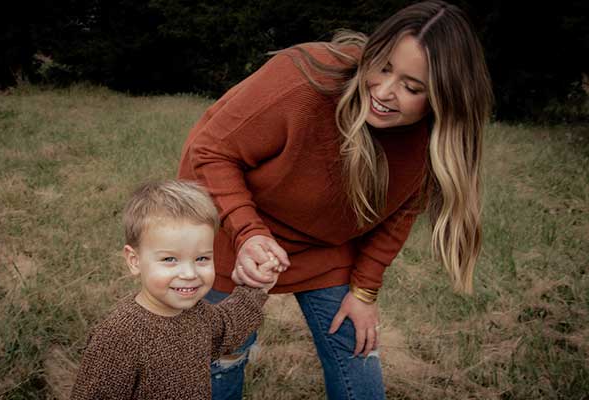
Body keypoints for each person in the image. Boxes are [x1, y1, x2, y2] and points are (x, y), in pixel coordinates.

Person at [178, 0, 493, 398]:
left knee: (358, 351)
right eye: (382, 66)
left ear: (445, 99)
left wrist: (364, 292)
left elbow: (397, 217)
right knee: (224, 352)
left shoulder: (436, 143)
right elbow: (211, 152)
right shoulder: (304, 80)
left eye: (412, 88)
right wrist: (248, 233)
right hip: (229, 219)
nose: (384, 91)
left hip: (324, 246)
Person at [70, 180, 281, 399]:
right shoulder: (119, 336)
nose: (189, 274)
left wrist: (256, 288)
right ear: (134, 261)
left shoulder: (198, 312)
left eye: (201, 258)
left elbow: (226, 328)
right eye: (170, 259)